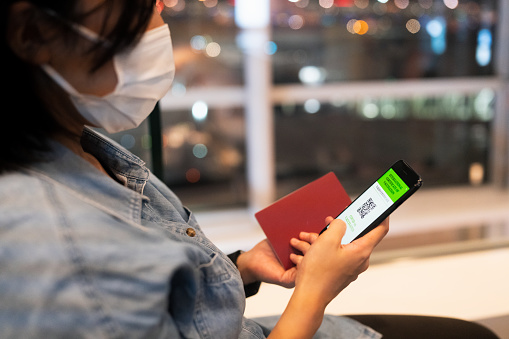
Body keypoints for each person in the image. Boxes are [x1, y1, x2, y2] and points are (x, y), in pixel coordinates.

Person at [0, 1, 500, 338]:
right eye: (139, 4)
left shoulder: (74, 143)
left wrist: (240, 267)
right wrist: (315, 292)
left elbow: (158, 306)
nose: (160, 14)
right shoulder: (46, 245)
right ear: (34, 33)